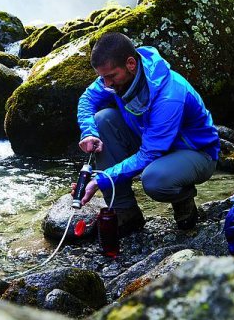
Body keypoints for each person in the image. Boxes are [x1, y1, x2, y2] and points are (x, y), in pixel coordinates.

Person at [73, 32, 219, 234]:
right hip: (151, 139)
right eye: (102, 77)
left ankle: (182, 198)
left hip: (196, 153)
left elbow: (149, 154)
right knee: (103, 120)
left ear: (131, 64)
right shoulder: (117, 76)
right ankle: (124, 212)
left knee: (153, 180)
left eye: (110, 76)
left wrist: (101, 179)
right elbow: (87, 100)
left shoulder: (169, 96)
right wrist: (89, 133)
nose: (106, 84)